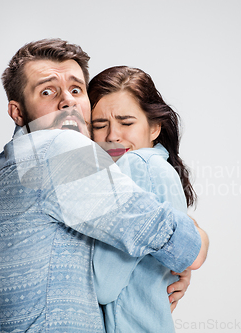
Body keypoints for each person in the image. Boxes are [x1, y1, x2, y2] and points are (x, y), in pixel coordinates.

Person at [0, 38, 207, 333]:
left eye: (76, 89)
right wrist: (188, 246)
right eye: (47, 91)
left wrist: (156, 266)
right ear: (18, 112)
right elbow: (177, 242)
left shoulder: (13, 163)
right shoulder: (57, 146)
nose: (67, 100)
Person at [88, 66, 207, 332]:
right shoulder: (160, 169)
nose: (112, 136)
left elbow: (102, 285)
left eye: (126, 122)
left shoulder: (135, 165)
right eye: (99, 125)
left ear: (155, 128)